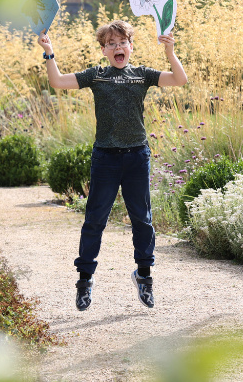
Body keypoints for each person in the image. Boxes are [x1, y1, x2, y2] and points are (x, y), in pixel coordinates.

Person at [37, 21, 187, 311]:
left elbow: (179, 79)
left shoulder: (142, 75)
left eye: (122, 42)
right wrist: (49, 52)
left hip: (136, 157)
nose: (118, 47)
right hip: (105, 158)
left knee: (142, 219)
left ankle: (144, 276)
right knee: (95, 220)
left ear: (131, 46)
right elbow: (57, 82)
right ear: (104, 50)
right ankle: (85, 280)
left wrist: (170, 51)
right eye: (111, 43)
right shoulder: (97, 76)